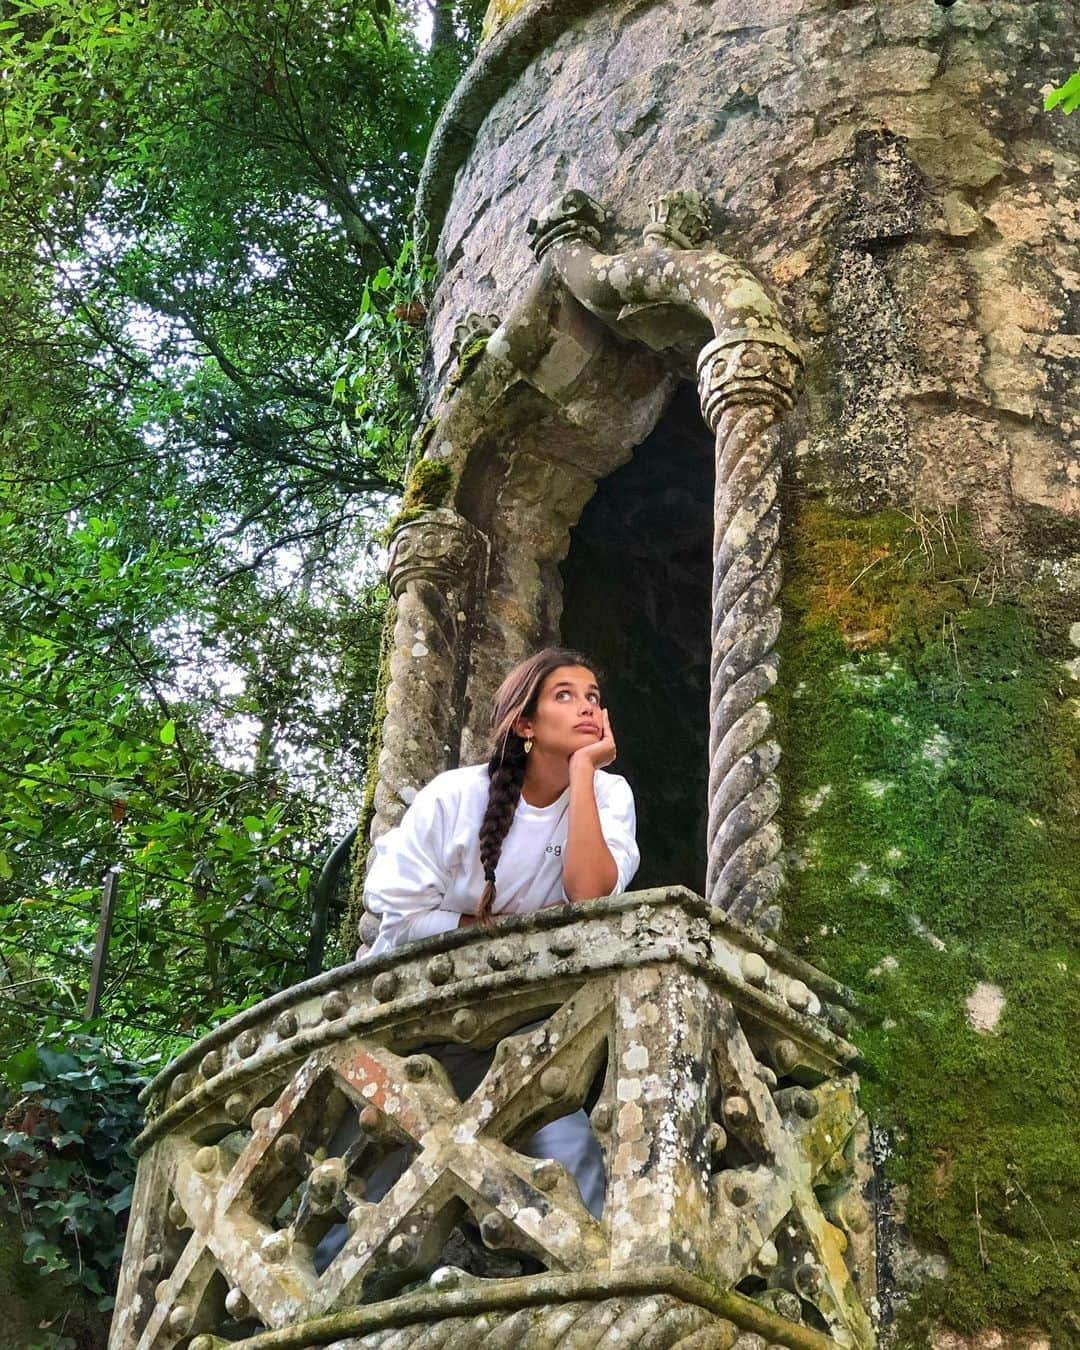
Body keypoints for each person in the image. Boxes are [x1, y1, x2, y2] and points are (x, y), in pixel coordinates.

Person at [361, 647, 640, 1219]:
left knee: (575, 1178)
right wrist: (490, 929)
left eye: (593, 696)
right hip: (417, 1028)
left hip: (527, 1035)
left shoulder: (608, 796)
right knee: (376, 1195)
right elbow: (397, 913)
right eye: (564, 695)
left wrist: (585, 772)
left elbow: (589, 898)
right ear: (525, 723)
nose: (587, 707)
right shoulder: (456, 795)